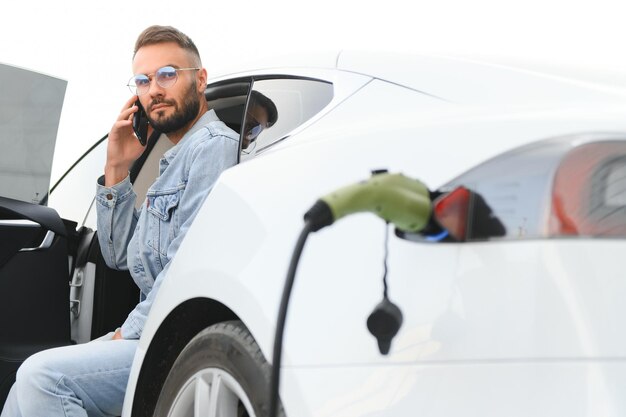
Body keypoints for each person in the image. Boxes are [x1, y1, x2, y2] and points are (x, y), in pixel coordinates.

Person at [1, 25, 239, 417]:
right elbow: (117, 256)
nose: (154, 90)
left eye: (167, 74)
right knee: (20, 392)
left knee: (41, 378)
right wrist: (116, 166)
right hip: (149, 332)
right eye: (143, 80)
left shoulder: (212, 149)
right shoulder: (170, 164)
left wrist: (124, 332)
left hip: (176, 338)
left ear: (200, 79)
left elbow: (185, 270)